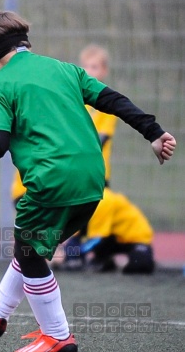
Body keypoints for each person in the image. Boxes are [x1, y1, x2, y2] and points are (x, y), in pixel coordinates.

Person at [0, 10, 176, 352]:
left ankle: (57, 335)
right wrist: (153, 133)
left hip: (52, 180)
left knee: (29, 250)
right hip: (93, 181)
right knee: (30, 247)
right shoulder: (65, 69)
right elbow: (113, 100)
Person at [12, 44, 156, 274]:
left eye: (95, 67)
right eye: (86, 66)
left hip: (95, 174)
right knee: (71, 217)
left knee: (93, 216)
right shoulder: (75, 100)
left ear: (104, 71)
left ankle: (79, 254)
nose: (89, 71)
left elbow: (98, 139)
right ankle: (68, 255)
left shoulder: (104, 105)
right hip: (70, 173)